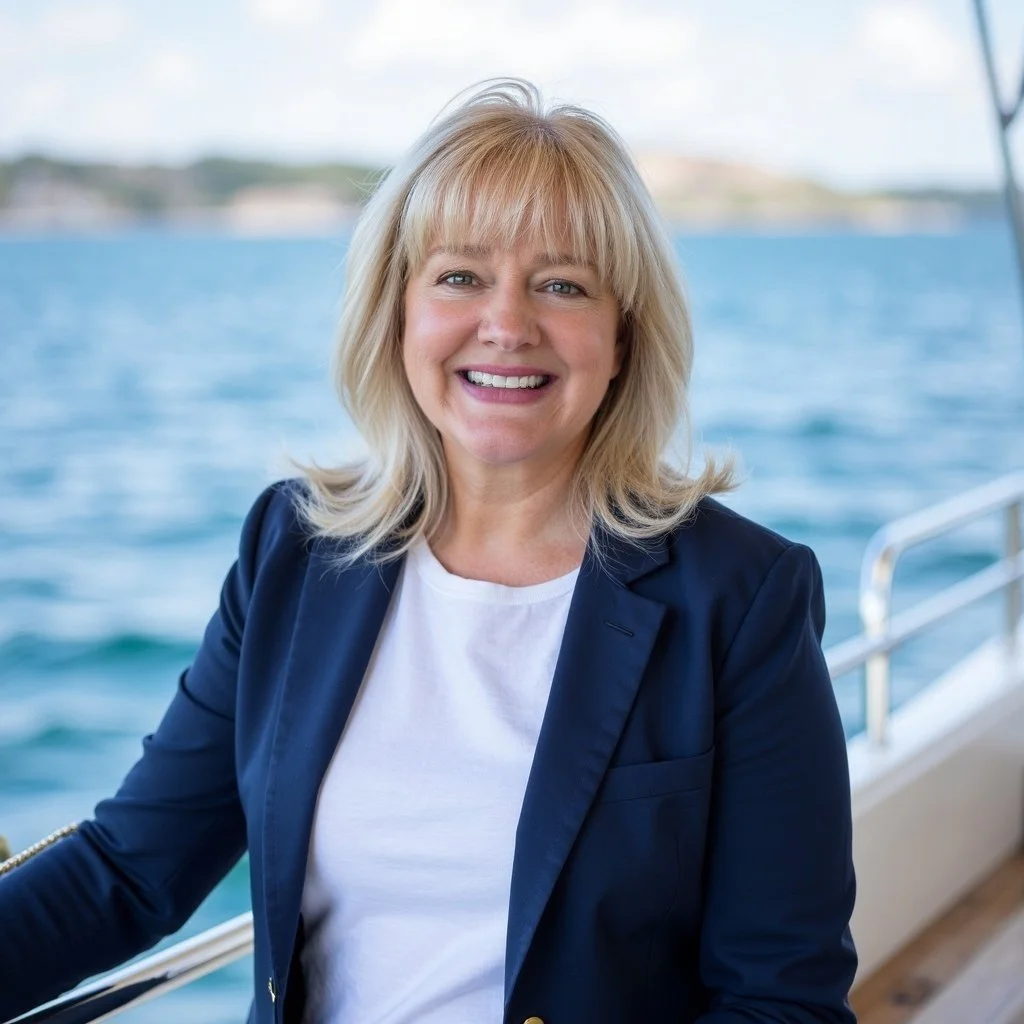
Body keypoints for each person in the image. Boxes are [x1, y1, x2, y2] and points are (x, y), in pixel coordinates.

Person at [0, 80, 856, 1023]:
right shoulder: (292, 551)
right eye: (459, 276)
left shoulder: (739, 597)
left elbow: (782, 998)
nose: (506, 323)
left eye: (562, 284)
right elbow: (128, 871)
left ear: (623, 338)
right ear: (397, 312)